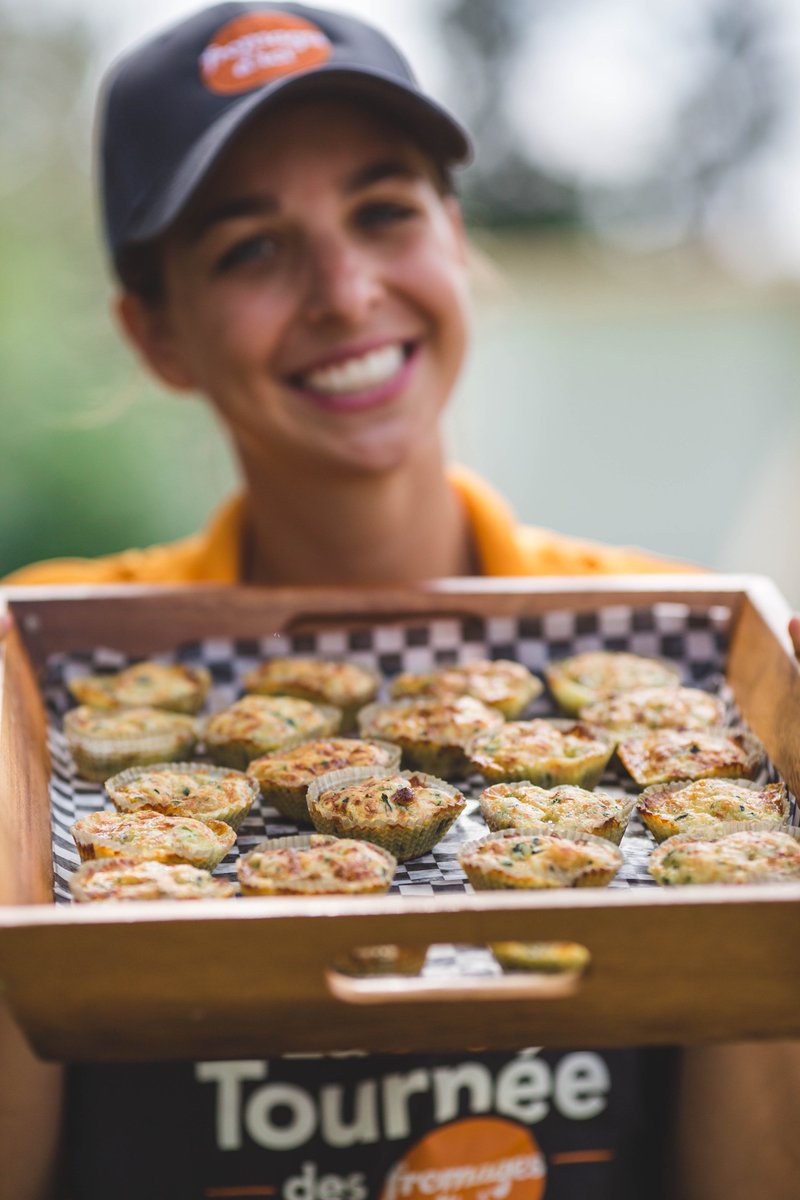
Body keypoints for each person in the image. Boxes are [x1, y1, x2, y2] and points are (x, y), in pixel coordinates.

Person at [2, 4, 799, 1198]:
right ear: (155, 333)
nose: (344, 288)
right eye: (250, 248)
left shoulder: (687, 665)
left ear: (454, 237)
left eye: (384, 211)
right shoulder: (43, 678)